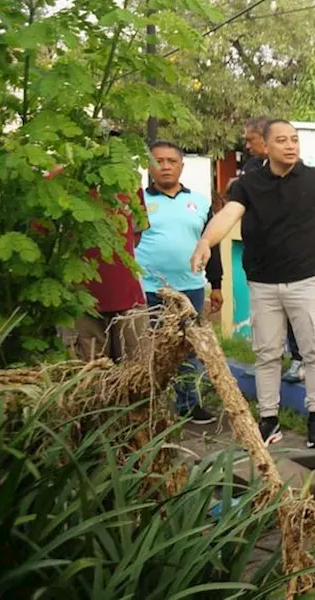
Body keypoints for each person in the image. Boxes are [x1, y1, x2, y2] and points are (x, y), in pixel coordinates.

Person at [191, 118, 315, 448]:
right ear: (266, 147)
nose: (291, 145)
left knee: (313, 353)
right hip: (264, 284)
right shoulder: (249, 185)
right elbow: (226, 216)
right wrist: (205, 243)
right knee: (266, 354)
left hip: (305, 280)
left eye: (295, 139)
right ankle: (268, 420)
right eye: (282, 140)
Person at [136, 141, 223, 424]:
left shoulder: (199, 202)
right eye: (158, 161)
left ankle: (189, 404)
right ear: (149, 166)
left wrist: (217, 283)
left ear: (181, 166)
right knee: (151, 349)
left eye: (171, 161)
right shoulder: (139, 203)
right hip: (149, 289)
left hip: (190, 288)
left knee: (189, 347)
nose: (165, 166)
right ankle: (152, 407)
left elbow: (212, 245)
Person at [238, 117, 305, 385]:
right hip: (258, 262)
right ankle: (269, 362)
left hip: (291, 263)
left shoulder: (298, 173)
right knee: (266, 320)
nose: (246, 145)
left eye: (250, 140)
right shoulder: (253, 169)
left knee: (294, 316)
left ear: (264, 143)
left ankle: (299, 361)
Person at [73, 186, 147, 364]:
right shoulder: (62, 181)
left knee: (137, 375)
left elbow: (136, 234)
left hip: (129, 298)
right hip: (81, 301)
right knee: (90, 379)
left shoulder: (129, 182)